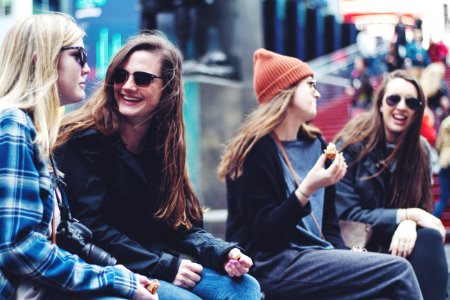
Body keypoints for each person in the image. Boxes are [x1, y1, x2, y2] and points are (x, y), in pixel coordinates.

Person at [55, 32, 261, 300]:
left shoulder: (164, 144)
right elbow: (91, 227)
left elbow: (181, 224)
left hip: (156, 261)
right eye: (120, 75)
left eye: (142, 78)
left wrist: (223, 253)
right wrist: (165, 266)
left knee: (245, 288)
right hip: (106, 267)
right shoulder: (83, 139)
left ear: (168, 88)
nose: (127, 85)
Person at [217, 48, 423, 299]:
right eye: (310, 85)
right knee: (398, 271)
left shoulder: (317, 144)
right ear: (287, 91)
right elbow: (264, 235)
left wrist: (345, 254)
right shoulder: (253, 150)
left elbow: (328, 226)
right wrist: (307, 189)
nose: (317, 92)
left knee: (380, 291)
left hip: (315, 256)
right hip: (270, 263)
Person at [0, 13, 156, 300]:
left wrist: (119, 274)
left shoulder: (33, 128)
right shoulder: (14, 125)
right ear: (41, 59)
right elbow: (17, 247)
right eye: (79, 55)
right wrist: (115, 279)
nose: (87, 68)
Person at [334, 70, 448, 300]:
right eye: (393, 99)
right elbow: (347, 215)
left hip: (400, 242)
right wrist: (406, 215)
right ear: (380, 104)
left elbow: (424, 214)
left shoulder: (422, 150)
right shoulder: (351, 145)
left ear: (419, 110)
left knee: (431, 240)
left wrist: (409, 222)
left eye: (411, 102)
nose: (402, 107)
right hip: (354, 245)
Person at [433, 115, 450, 218]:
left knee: (443, 198)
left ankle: (432, 221)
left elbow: (438, 144)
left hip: (445, 159)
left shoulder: (445, 122)